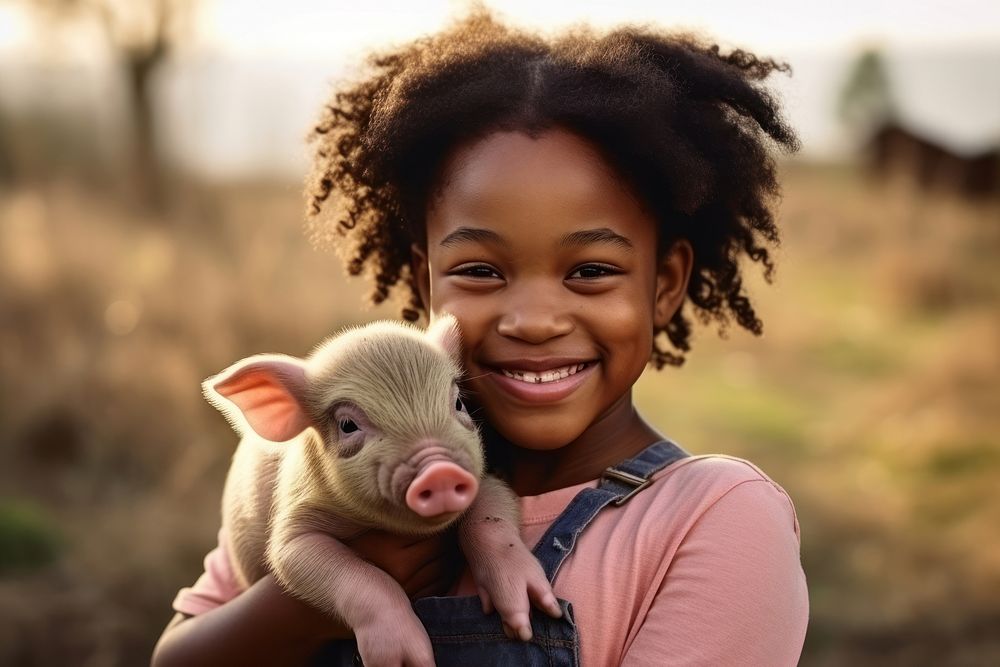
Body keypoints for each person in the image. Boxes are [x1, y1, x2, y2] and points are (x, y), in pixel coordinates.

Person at [152, 8, 808, 666]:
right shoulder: (330, 477)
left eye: (590, 271)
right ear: (427, 280)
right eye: (479, 270)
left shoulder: (717, 519)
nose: (531, 319)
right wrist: (315, 596)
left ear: (664, 284)